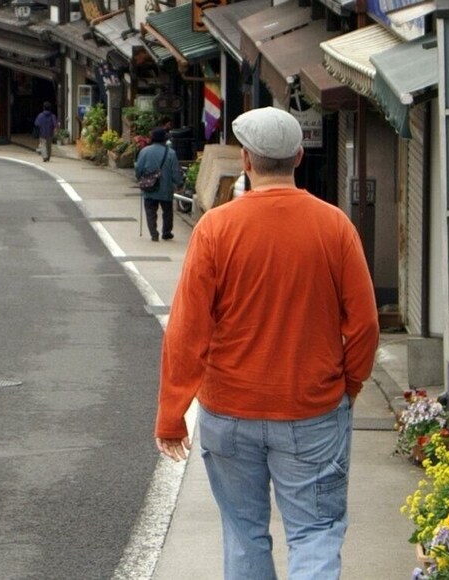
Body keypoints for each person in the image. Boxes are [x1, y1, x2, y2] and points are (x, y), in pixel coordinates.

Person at [154, 107, 379, 580]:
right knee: (314, 531)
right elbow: (363, 325)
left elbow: (187, 329)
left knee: (243, 532)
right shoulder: (335, 227)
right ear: (298, 157)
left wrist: (173, 412)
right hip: (311, 407)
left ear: (247, 161)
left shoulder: (216, 229)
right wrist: (348, 386)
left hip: (230, 408)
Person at [134, 128, 182, 241]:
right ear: (164, 140)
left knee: (150, 211)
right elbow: (175, 171)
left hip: (149, 186)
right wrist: (178, 183)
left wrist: (140, 178)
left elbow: (138, 169)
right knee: (167, 211)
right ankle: (166, 232)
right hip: (166, 187)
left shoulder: (144, 151)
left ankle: (153, 233)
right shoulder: (171, 153)